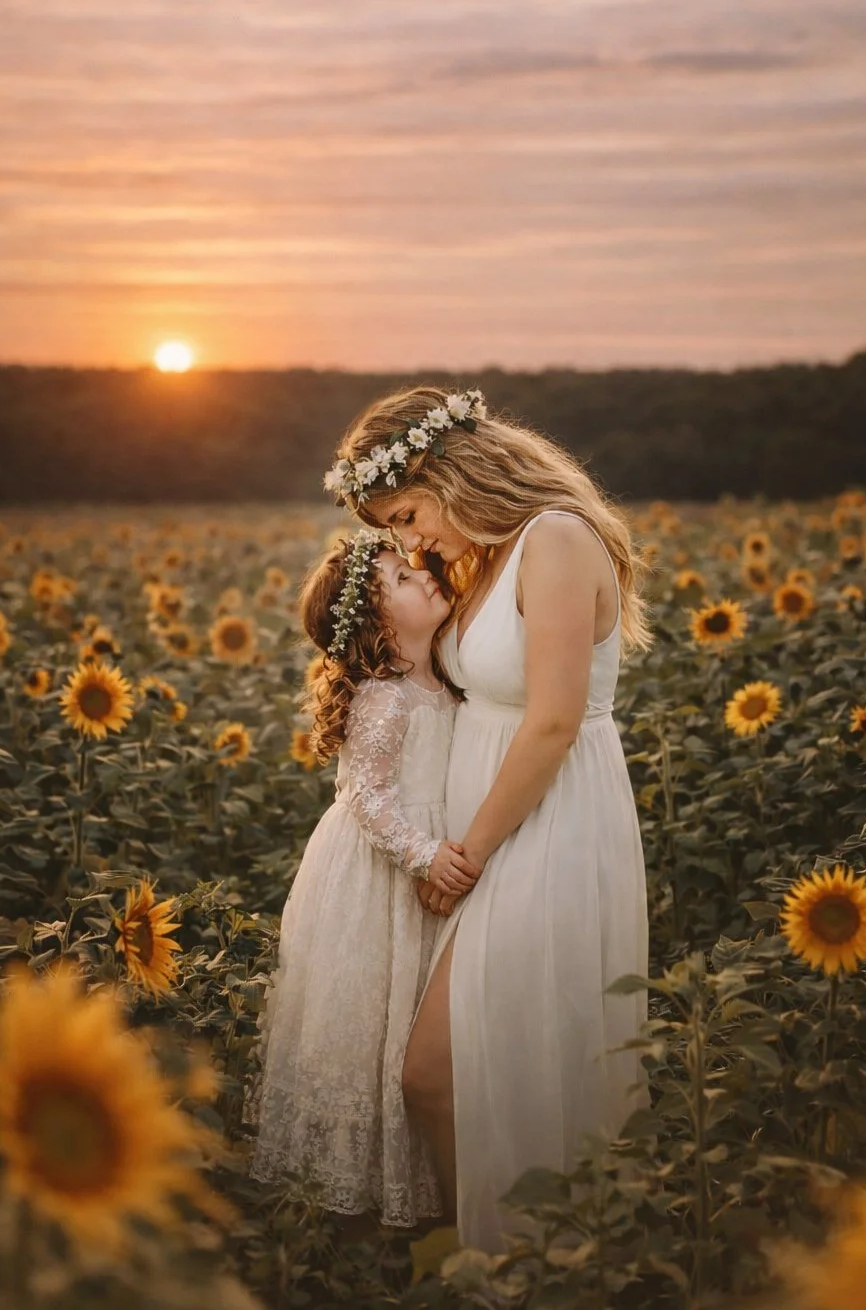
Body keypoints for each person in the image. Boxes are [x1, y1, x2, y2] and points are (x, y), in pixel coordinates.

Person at [323, 387, 652, 1250]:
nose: (410, 541)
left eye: (407, 513)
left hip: (544, 825)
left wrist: (464, 851)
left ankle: (521, 1265)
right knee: (501, 1061)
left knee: (436, 1072)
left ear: (446, 472)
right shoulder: (489, 555)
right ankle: (528, 1261)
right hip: (494, 827)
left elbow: (550, 722)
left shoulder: (557, 539)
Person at [244, 529, 482, 1227]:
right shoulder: (386, 696)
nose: (421, 573)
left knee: (427, 1013)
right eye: (401, 580)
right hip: (385, 874)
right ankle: (387, 1203)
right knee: (384, 1021)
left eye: (409, 565)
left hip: (439, 853)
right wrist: (424, 855)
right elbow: (367, 799)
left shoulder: (442, 673)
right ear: (378, 622)